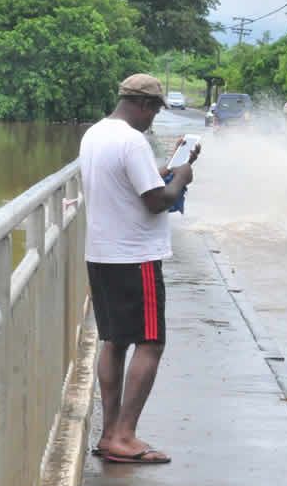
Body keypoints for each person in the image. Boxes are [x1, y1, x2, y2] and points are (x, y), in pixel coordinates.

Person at [78, 73, 200, 465]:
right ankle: (124, 436)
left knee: (114, 341)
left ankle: (109, 433)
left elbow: (134, 185)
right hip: (135, 257)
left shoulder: (95, 134)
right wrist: (181, 177)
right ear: (145, 106)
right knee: (150, 342)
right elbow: (155, 201)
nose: (153, 120)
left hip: (101, 254)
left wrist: (166, 170)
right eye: (154, 112)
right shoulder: (132, 141)